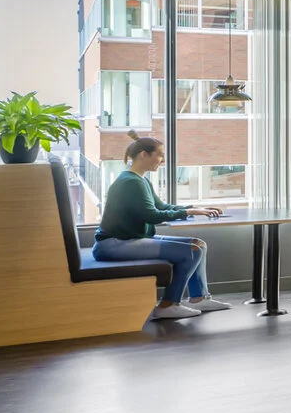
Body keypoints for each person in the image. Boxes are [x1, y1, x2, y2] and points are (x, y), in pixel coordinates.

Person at [92, 135, 225, 320]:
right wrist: (188, 212)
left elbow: (161, 206)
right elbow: (152, 216)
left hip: (130, 239)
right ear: (144, 154)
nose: (162, 160)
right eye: (160, 155)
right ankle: (167, 305)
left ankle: (199, 298)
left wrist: (194, 208)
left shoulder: (141, 180)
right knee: (192, 250)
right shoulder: (131, 182)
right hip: (113, 244)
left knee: (199, 244)